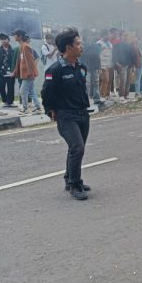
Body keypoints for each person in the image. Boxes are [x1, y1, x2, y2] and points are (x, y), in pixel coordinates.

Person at [42, 27, 91, 201]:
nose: (81, 46)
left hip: (83, 114)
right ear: (68, 48)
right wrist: (51, 111)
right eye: (78, 44)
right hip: (66, 116)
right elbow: (47, 93)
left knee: (76, 149)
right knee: (78, 148)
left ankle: (69, 179)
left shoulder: (81, 67)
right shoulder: (55, 70)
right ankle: (75, 184)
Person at [12, 30, 43, 115]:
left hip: (28, 74)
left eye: (15, 35)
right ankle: (38, 108)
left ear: (20, 36)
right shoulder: (21, 46)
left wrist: (30, 73)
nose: (14, 37)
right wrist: (15, 71)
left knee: (22, 91)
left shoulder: (26, 47)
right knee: (31, 91)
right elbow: (19, 61)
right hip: (26, 74)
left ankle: (25, 109)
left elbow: (30, 61)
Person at [81, 35, 102, 104]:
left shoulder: (95, 45)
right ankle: (86, 100)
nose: (90, 38)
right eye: (88, 37)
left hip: (95, 67)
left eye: (90, 37)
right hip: (86, 67)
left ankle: (97, 99)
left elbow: (98, 56)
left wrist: (99, 67)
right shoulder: (82, 46)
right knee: (87, 84)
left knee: (96, 83)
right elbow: (80, 56)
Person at [97, 31, 114, 100]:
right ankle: (102, 96)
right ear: (103, 35)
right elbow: (97, 55)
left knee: (109, 80)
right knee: (105, 80)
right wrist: (99, 65)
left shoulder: (109, 43)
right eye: (107, 35)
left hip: (110, 63)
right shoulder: (99, 43)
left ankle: (107, 94)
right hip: (103, 64)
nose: (109, 36)